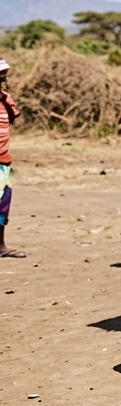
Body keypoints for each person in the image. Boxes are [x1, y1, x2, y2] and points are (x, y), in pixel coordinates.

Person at [0, 57, 25, 258]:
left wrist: (6, 101)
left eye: (4, 77)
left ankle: (0, 246)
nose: (3, 80)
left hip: (4, 161)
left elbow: (13, 119)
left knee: (2, 206)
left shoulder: (5, 99)